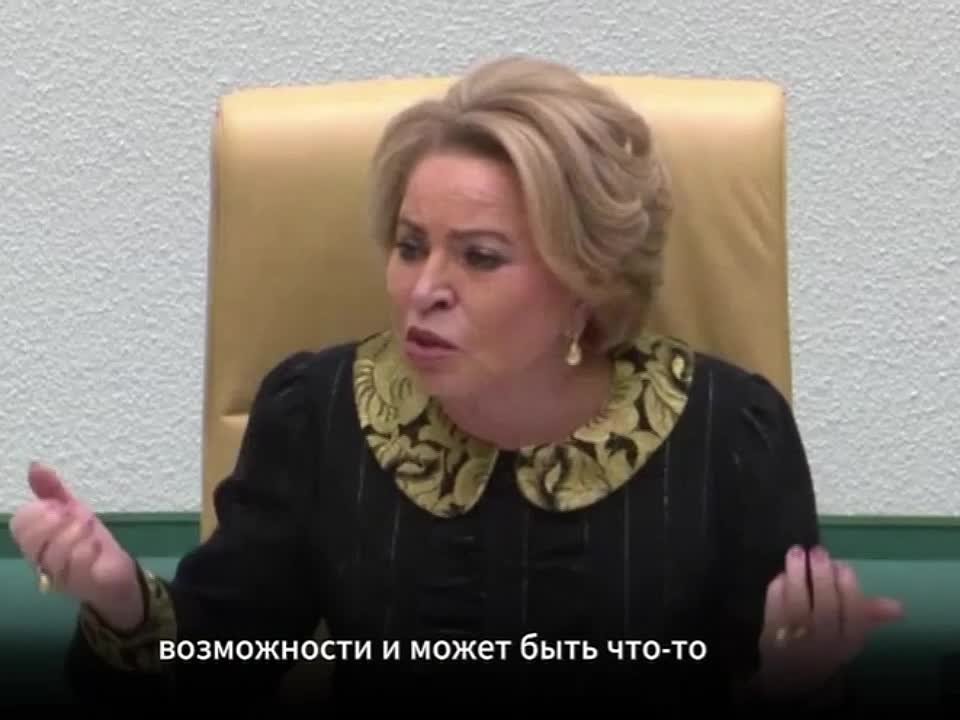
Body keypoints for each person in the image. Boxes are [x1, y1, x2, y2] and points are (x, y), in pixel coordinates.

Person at [9, 55, 903, 708]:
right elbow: (220, 665)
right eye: (410, 246)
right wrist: (118, 597)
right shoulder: (319, 415)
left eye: (479, 256)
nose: (423, 288)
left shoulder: (729, 432)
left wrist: (796, 684)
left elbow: (772, 676)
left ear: (586, 284)